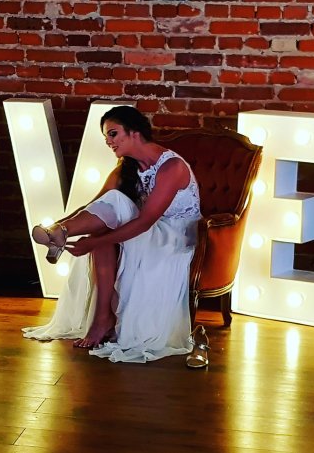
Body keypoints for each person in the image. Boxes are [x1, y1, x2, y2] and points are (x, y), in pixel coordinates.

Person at [22, 105, 202, 363]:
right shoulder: (126, 167)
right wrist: (61, 224)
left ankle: (61, 233)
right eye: (106, 136)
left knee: (115, 205)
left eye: (113, 134)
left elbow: (145, 221)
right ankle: (101, 316)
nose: (108, 141)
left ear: (134, 132)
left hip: (174, 237)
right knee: (106, 216)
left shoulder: (172, 167)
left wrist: (92, 242)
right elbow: (95, 205)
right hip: (147, 230)